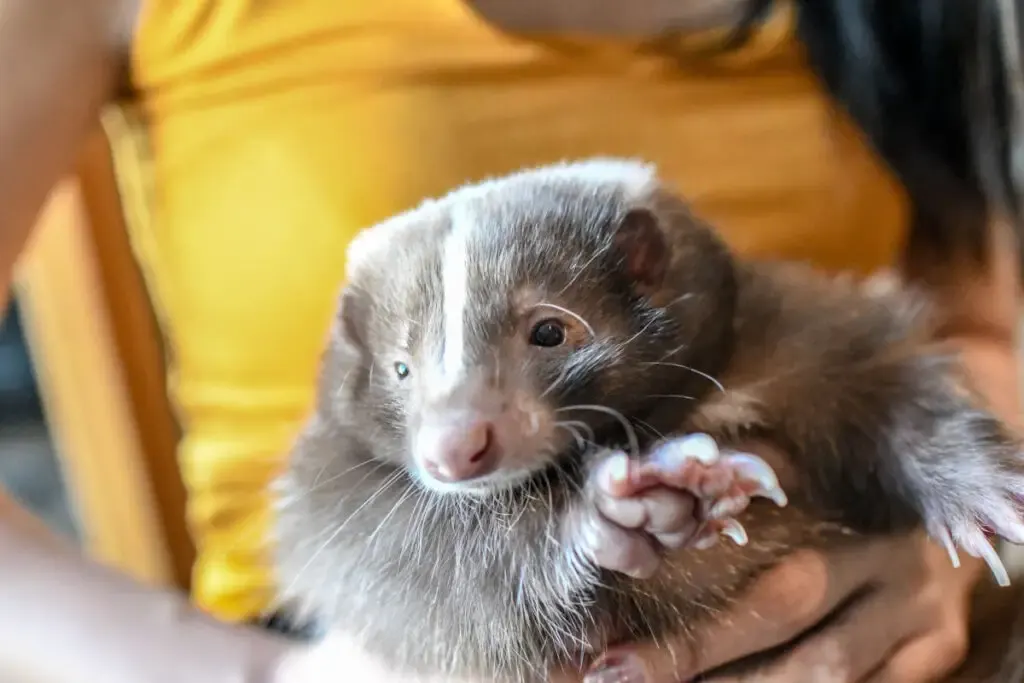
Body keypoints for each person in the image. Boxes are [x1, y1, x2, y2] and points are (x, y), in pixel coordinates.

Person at [0, 0, 1020, 681]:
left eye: (543, 332)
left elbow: (974, 327)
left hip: (877, 613)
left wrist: (952, 518)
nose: (456, 438)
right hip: (381, 637)